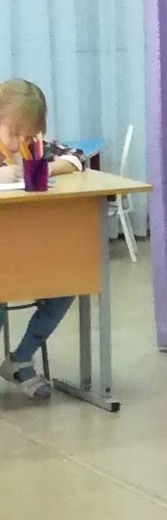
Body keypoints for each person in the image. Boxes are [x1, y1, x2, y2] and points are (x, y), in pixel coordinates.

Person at [0, 78, 85, 400]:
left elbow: (76, 157)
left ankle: (20, 359)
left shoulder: (32, 148)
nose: (18, 142)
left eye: (28, 135)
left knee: (69, 283)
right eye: (13, 133)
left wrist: (45, 168)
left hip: (29, 248)